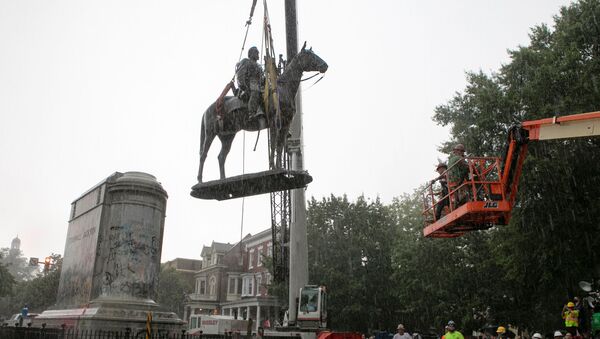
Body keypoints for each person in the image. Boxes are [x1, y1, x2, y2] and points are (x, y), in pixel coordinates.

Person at [236, 46, 264, 120]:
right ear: (251, 54)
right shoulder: (246, 62)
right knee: (255, 92)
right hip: (249, 87)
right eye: (256, 52)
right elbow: (240, 76)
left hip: (259, 86)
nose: (258, 54)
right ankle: (251, 113)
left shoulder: (259, 66)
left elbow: (262, 78)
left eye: (258, 52)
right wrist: (245, 87)